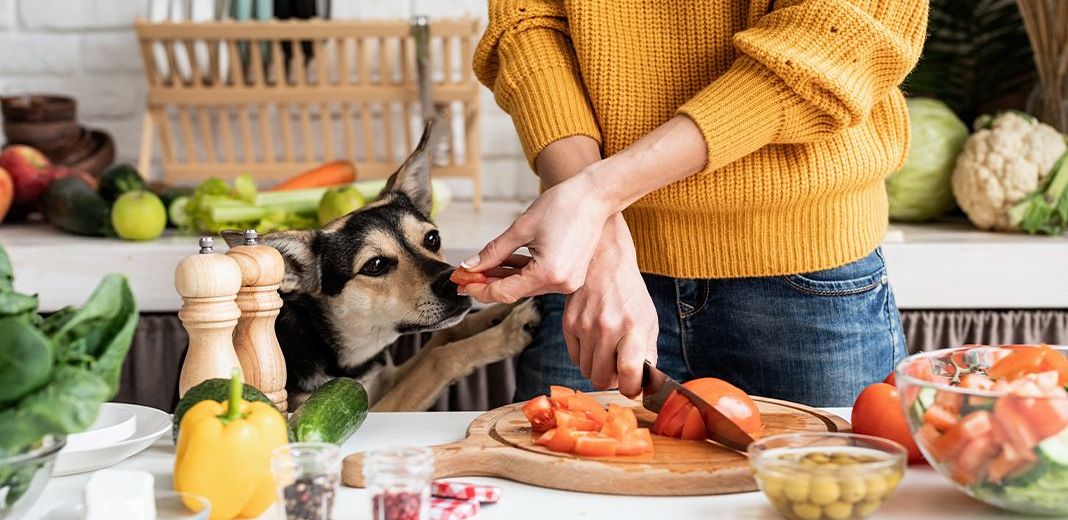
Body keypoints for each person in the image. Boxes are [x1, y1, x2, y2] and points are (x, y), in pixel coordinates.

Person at [463, 0, 929, 407]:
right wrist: (598, 238)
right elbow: (528, 24)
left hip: (807, 277)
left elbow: (835, 39)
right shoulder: (595, 240)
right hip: (595, 275)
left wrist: (596, 198)